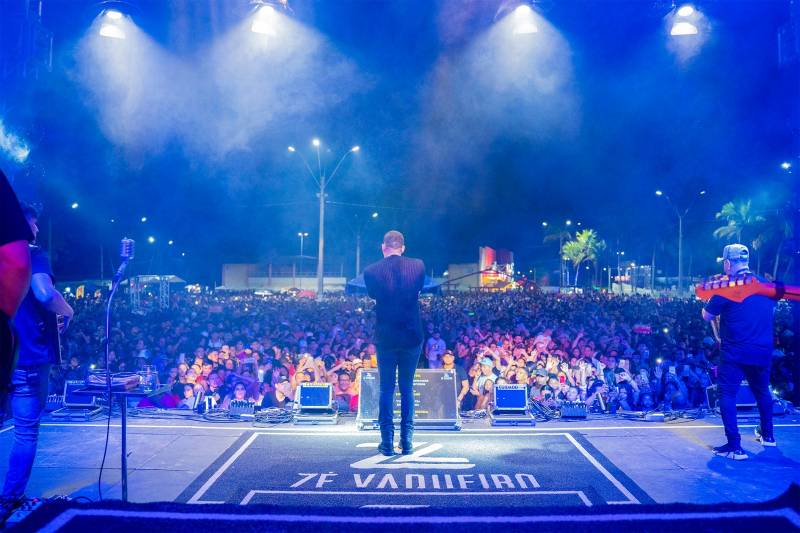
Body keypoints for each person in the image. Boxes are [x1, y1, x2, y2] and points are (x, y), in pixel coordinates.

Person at [3, 203, 73, 520]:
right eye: (33, 222)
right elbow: (44, 293)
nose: (37, 228)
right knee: (25, 432)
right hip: (26, 357)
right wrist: (68, 310)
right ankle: (9, 500)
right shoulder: (30, 254)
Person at [702, 244, 777, 460]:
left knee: (727, 394)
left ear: (728, 263)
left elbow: (707, 316)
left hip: (736, 352)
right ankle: (768, 436)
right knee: (762, 392)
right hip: (762, 350)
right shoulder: (766, 285)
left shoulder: (727, 286)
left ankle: (734, 447)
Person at [363, 230, 425, 456]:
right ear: (403, 247)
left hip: (386, 336)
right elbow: (417, 289)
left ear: (383, 247)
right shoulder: (418, 266)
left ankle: (386, 442)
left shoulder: (371, 271)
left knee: (386, 388)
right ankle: (407, 441)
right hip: (411, 335)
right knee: (406, 387)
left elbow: (373, 295)